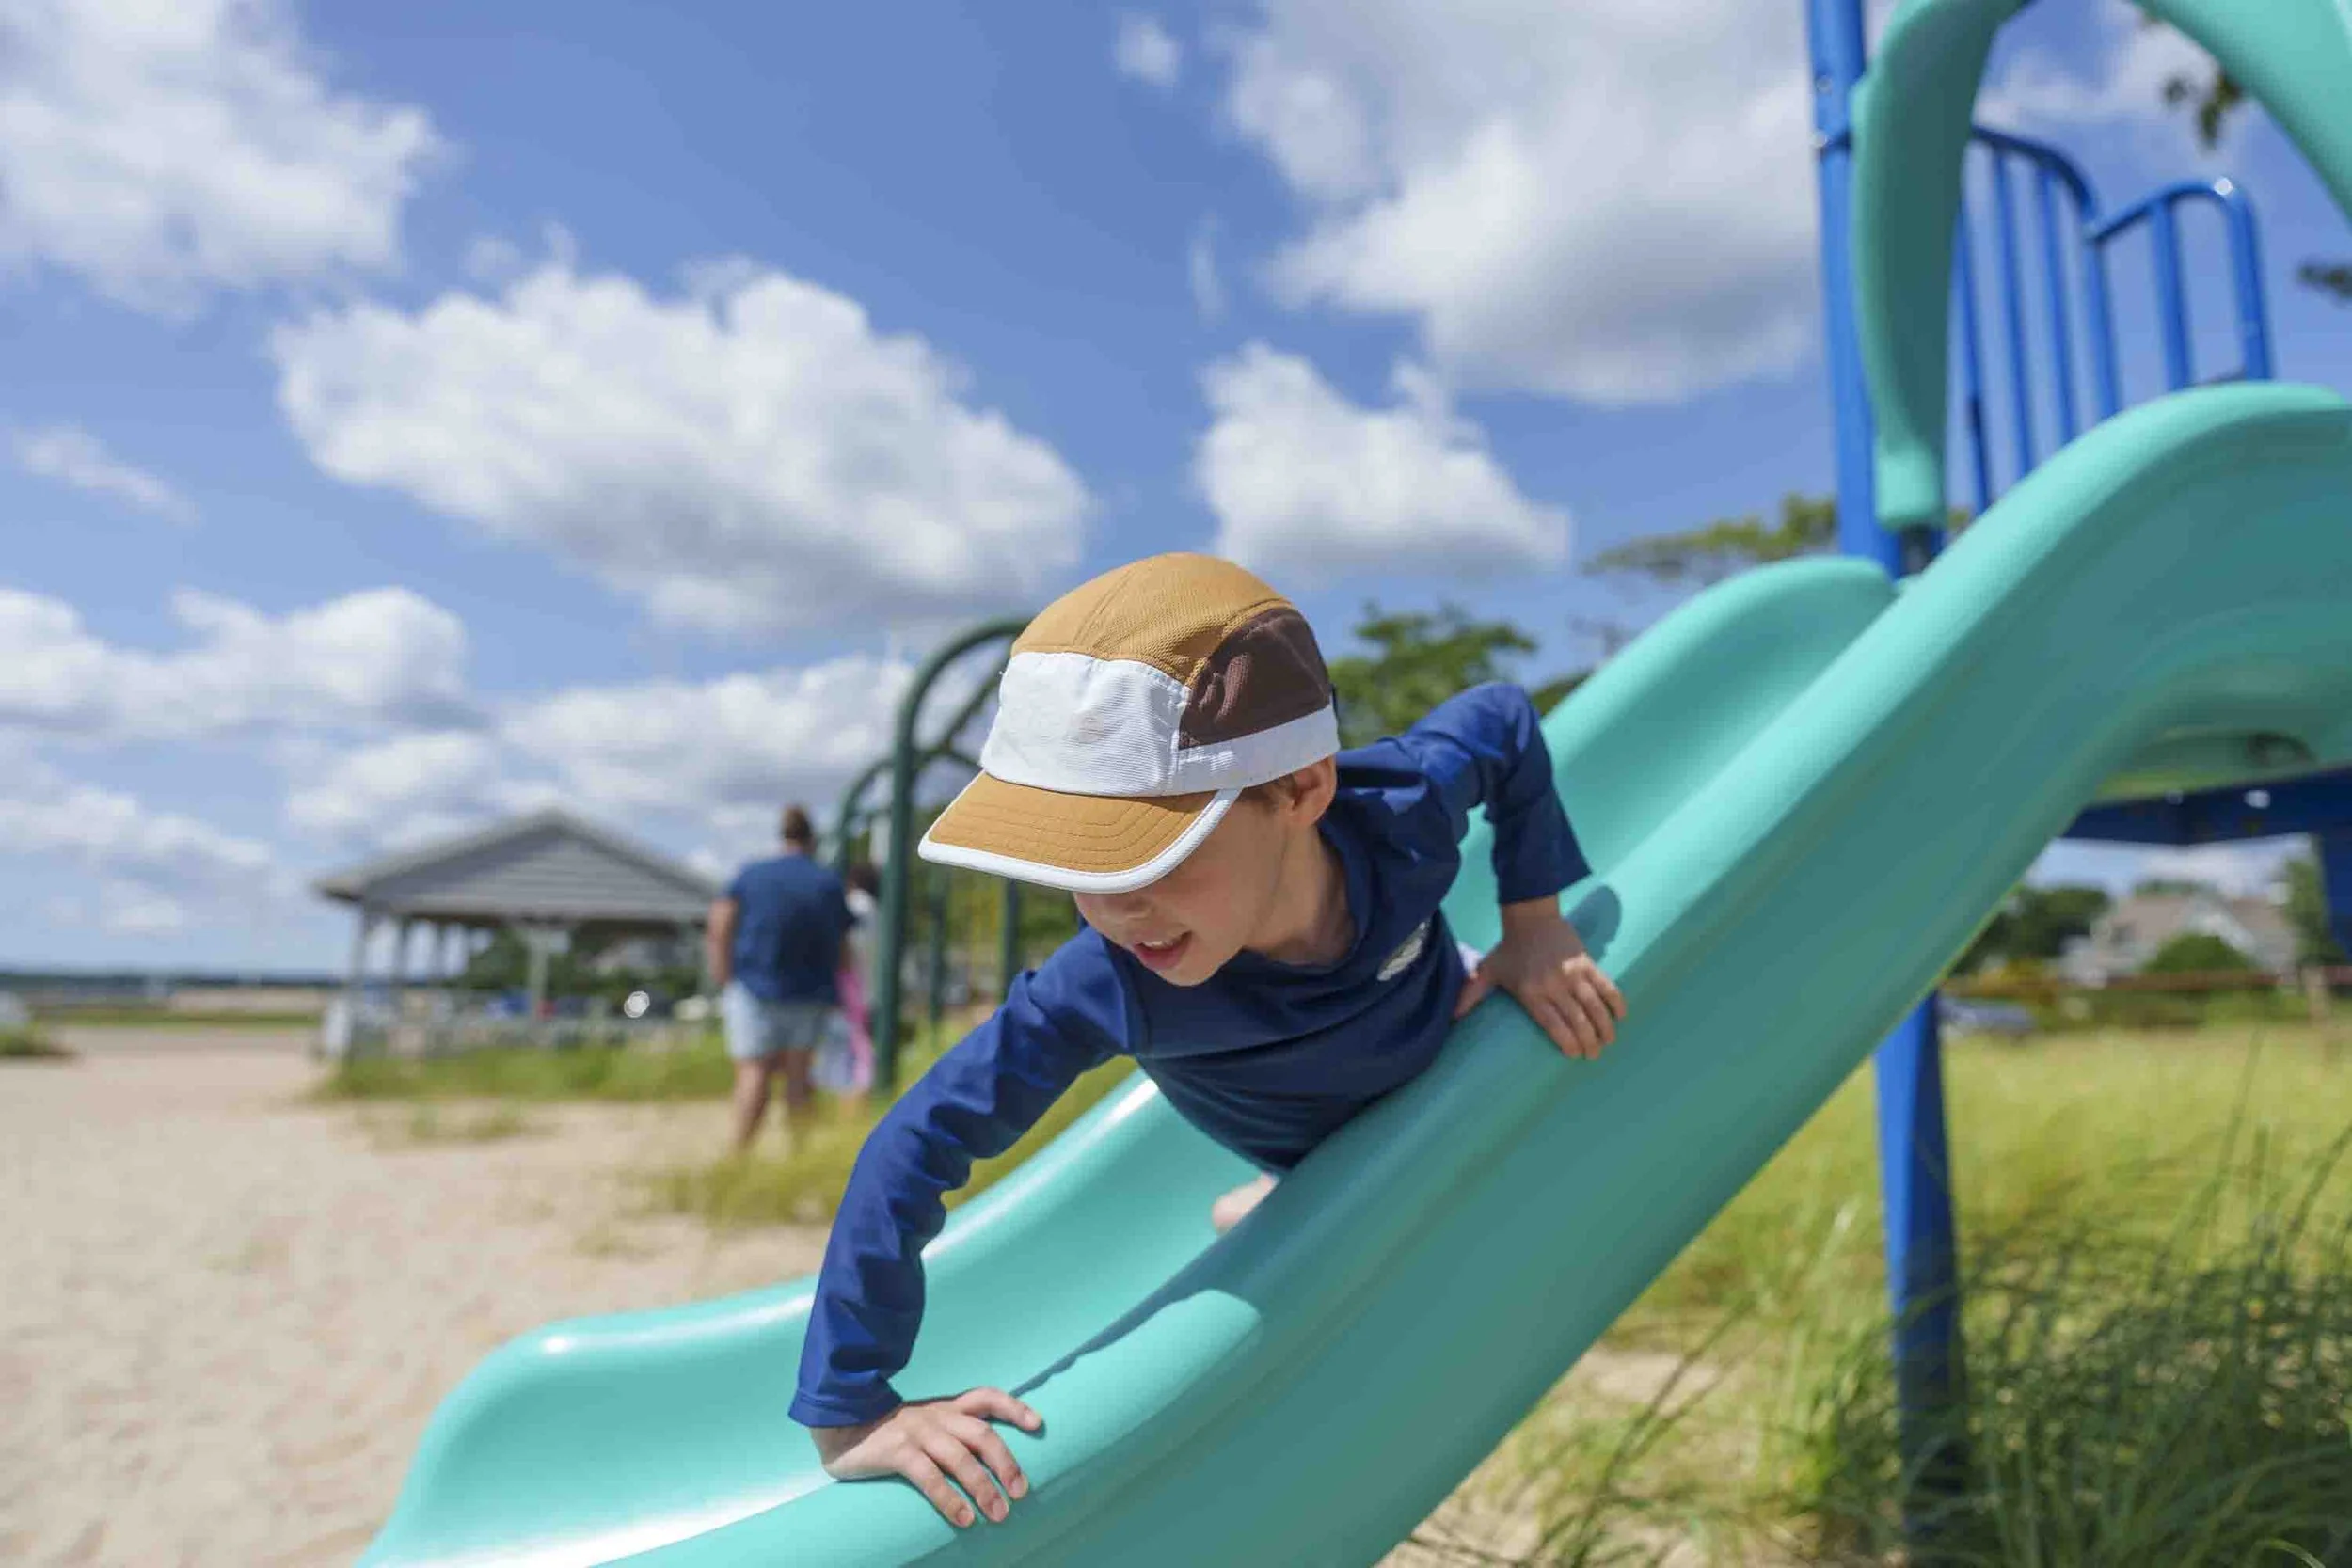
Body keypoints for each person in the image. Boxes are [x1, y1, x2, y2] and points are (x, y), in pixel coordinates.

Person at [793, 553, 1627, 1528]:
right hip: (1309, 1138)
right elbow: (915, 1142)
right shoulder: (1107, 984)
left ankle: (1277, 1196)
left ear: (1302, 786)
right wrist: (852, 1408)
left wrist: (1535, 923)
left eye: (1155, 855)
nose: (1117, 909)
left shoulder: (1402, 814)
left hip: (1441, 1017)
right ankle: (1284, 1190)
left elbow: (1504, 719)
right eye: (1077, 870)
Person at [706, 805, 856, 1153]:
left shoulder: (752, 874)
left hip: (754, 986)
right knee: (799, 1075)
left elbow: (720, 923)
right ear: (812, 839)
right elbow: (844, 946)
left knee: (753, 1072)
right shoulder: (827, 881)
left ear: (782, 835)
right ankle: (798, 1156)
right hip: (810, 990)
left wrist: (723, 973)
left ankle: (740, 1155)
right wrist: (844, 987)